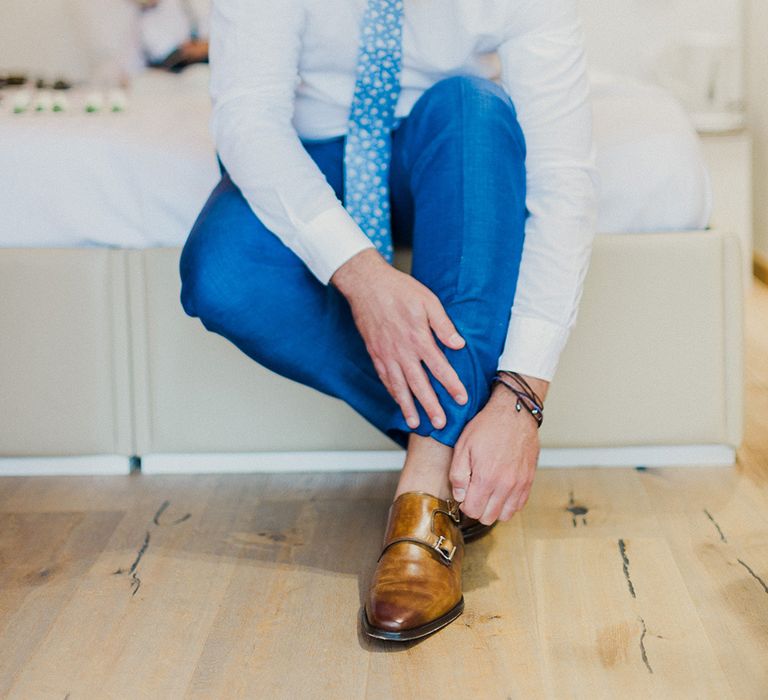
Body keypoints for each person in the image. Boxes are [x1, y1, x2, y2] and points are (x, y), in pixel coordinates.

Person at [179, 0, 598, 642]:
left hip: (449, 149)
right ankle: (464, 448)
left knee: (474, 109)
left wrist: (522, 399)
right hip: (312, 148)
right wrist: (363, 277)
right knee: (222, 271)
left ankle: (427, 488)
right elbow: (246, 118)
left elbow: (562, 181)